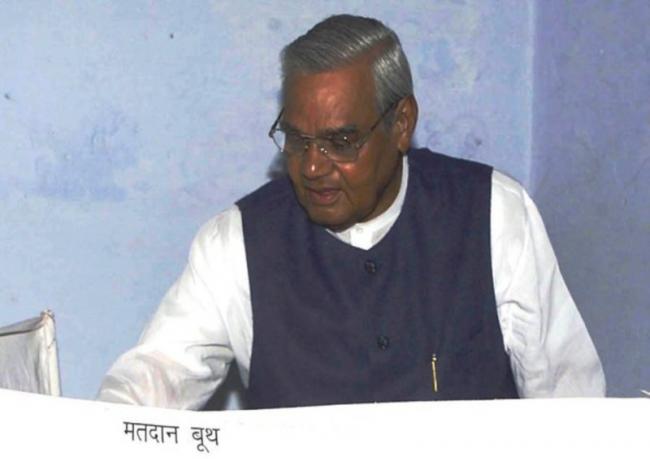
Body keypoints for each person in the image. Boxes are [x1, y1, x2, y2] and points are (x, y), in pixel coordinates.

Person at [98, 14, 605, 409]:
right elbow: (154, 377)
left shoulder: (495, 216)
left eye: (341, 142)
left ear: (401, 124)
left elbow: (570, 403)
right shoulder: (236, 244)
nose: (312, 166)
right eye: (297, 139)